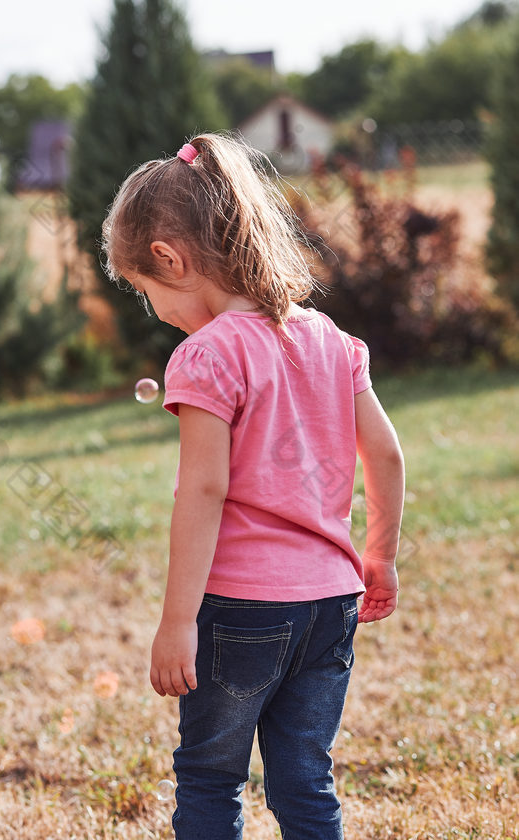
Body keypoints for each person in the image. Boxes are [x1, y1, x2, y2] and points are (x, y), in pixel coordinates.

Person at [101, 133, 405, 840]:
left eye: (147, 292)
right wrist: (379, 555)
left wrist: (177, 622)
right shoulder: (330, 338)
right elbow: (385, 454)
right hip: (331, 602)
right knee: (304, 777)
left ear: (169, 260)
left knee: (210, 778)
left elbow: (202, 493)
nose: (156, 310)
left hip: (242, 611)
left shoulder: (205, 354)